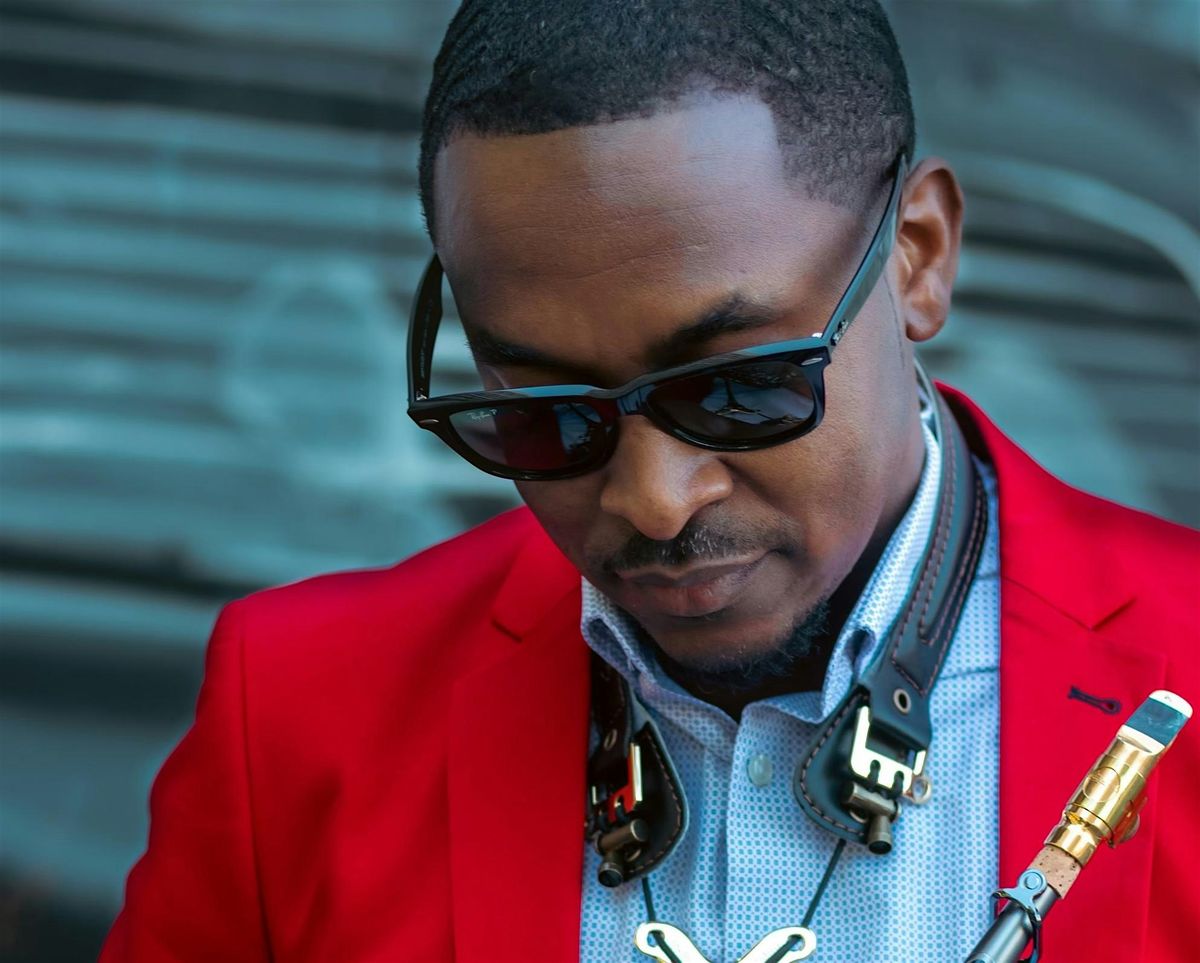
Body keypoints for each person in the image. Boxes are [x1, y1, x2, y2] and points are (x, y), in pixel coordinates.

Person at [101, 1, 1198, 961]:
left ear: (918, 255)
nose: (653, 502)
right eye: (548, 414)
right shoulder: (293, 719)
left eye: (737, 390)